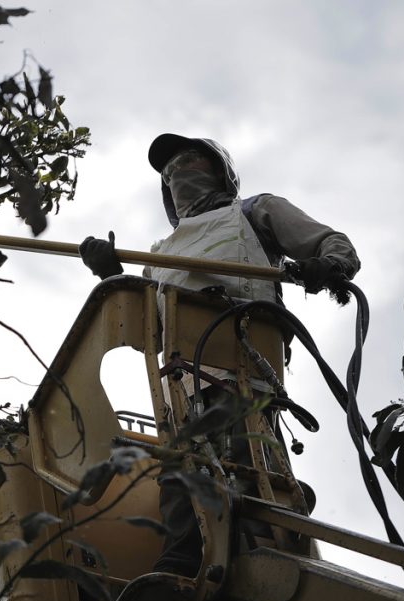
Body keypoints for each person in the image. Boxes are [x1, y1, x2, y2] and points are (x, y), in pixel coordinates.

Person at [79, 133, 361, 576]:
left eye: (190, 162)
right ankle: (185, 560)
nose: (179, 175)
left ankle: (262, 548)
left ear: (218, 172)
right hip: (179, 382)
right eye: (169, 173)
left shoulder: (252, 211)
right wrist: (113, 275)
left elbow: (331, 242)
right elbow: (141, 324)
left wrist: (330, 264)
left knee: (243, 458)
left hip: (241, 360)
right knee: (180, 469)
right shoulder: (159, 256)